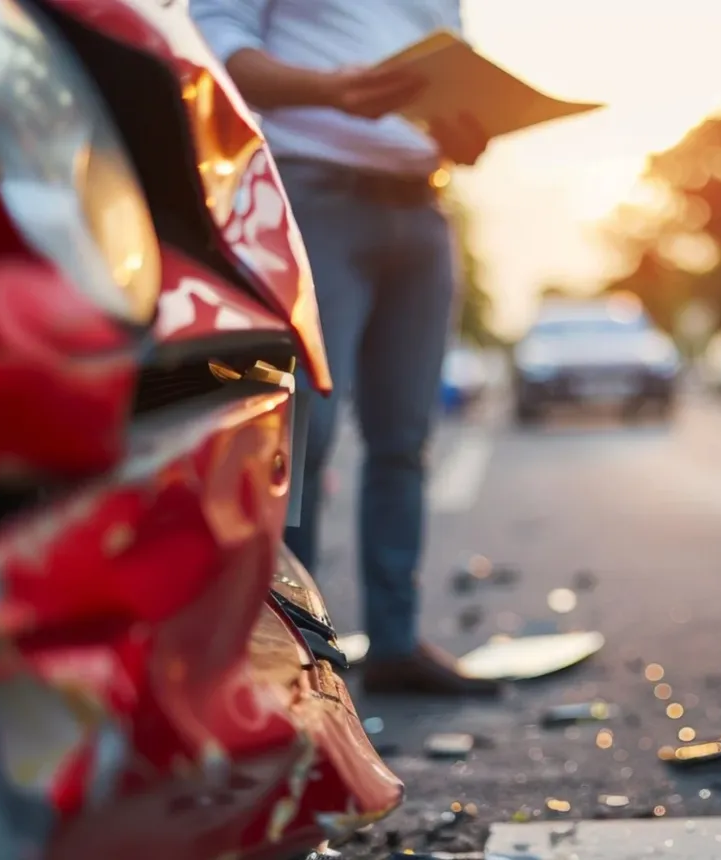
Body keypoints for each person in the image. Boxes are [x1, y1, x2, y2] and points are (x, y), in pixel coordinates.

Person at [193, 0, 500, 696]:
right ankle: (290, 648)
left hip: (423, 209)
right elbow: (216, 37)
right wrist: (328, 90)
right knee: (304, 430)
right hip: (309, 193)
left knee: (405, 438)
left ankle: (393, 643)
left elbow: (451, 73)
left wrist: (467, 133)